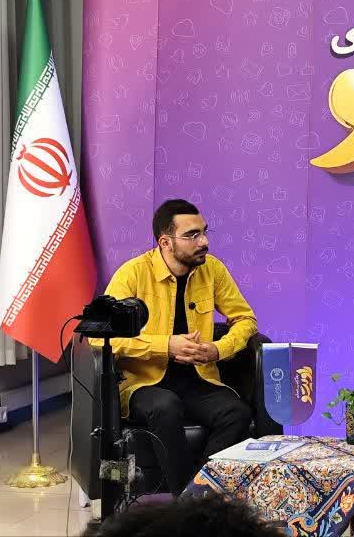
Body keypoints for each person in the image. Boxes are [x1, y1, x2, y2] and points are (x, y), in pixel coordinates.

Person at [94, 199, 258, 493]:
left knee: (237, 413)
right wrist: (165, 346)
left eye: (204, 232)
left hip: (197, 379)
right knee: (165, 406)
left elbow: (245, 319)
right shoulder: (133, 273)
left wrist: (218, 349)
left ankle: (196, 493)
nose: (204, 241)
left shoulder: (213, 270)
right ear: (166, 242)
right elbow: (100, 337)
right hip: (144, 383)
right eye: (192, 235)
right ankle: (188, 502)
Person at [83, 492, 285, 537]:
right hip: (148, 394)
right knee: (165, 410)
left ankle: (195, 482)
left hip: (199, 391)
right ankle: (183, 491)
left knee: (234, 413)